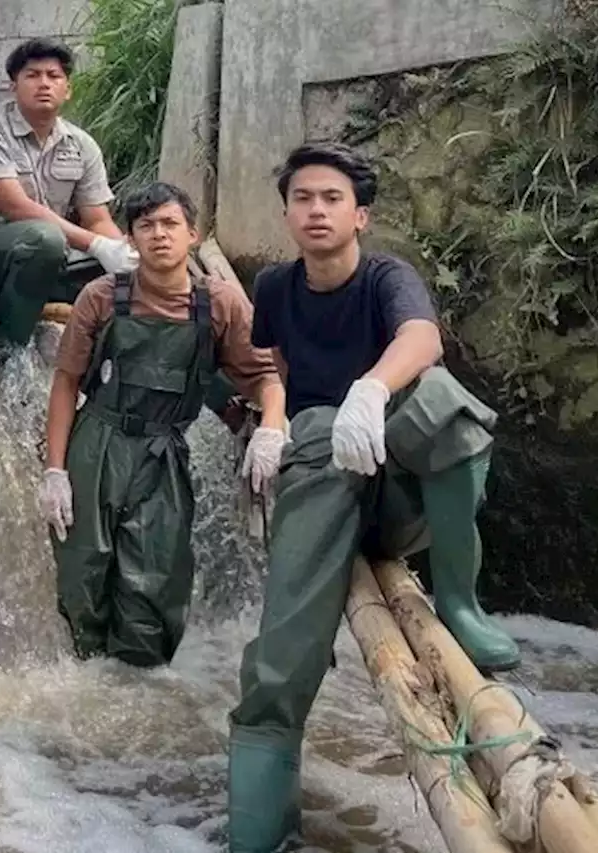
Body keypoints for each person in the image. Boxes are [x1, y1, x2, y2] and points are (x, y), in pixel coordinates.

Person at [225, 142, 521, 852]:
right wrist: (280, 422)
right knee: (282, 648)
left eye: (332, 199)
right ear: (289, 212)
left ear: (362, 214)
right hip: (323, 479)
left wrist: (372, 388)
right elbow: (279, 366)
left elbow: (422, 336)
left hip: (401, 497)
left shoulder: (389, 276)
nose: (317, 210)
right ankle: (260, 816)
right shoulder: (273, 287)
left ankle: (459, 598)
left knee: (441, 402)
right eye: (303, 199)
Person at [39, 182, 286, 668]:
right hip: (98, 443)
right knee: (82, 570)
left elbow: (264, 378)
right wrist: (55, 471)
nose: (159, 235)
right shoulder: (101, 298)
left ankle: (140, 681)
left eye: (170, 224)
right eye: (146, 226)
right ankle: (91, 675)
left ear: (192, 235)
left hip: (164, 455)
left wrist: (271, 430)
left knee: (155, 577)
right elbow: (66, 384)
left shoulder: (219, 304)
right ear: (130, 240)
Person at [0, 37, 139, 356]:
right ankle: (8, 352)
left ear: (68, 88)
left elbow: (98, 218)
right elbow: (15, 207)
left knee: (146, 265)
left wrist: (122, 255)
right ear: (13, 86)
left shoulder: (81, 144)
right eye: (32, 75)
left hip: (48, 258)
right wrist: (96, 245)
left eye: (54, 76)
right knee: (45, 240)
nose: (44, 84)